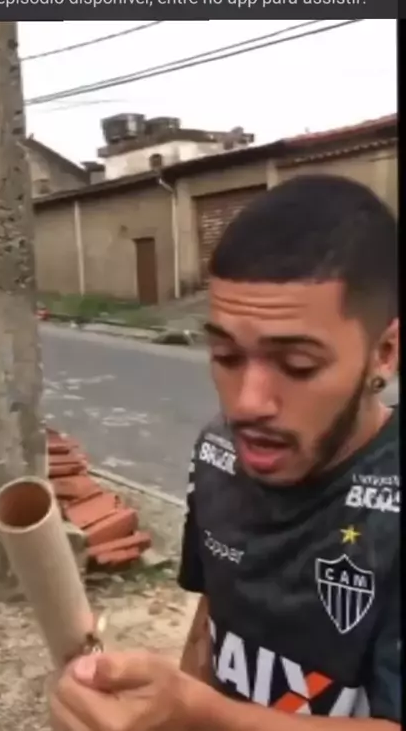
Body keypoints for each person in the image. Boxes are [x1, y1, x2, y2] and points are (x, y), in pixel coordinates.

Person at [49, 175, 400, 731]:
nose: (247, 404)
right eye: (226, 355)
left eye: (298, 365)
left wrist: (198, 714)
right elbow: (210, 622)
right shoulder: (218, 453)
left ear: (384, 352)